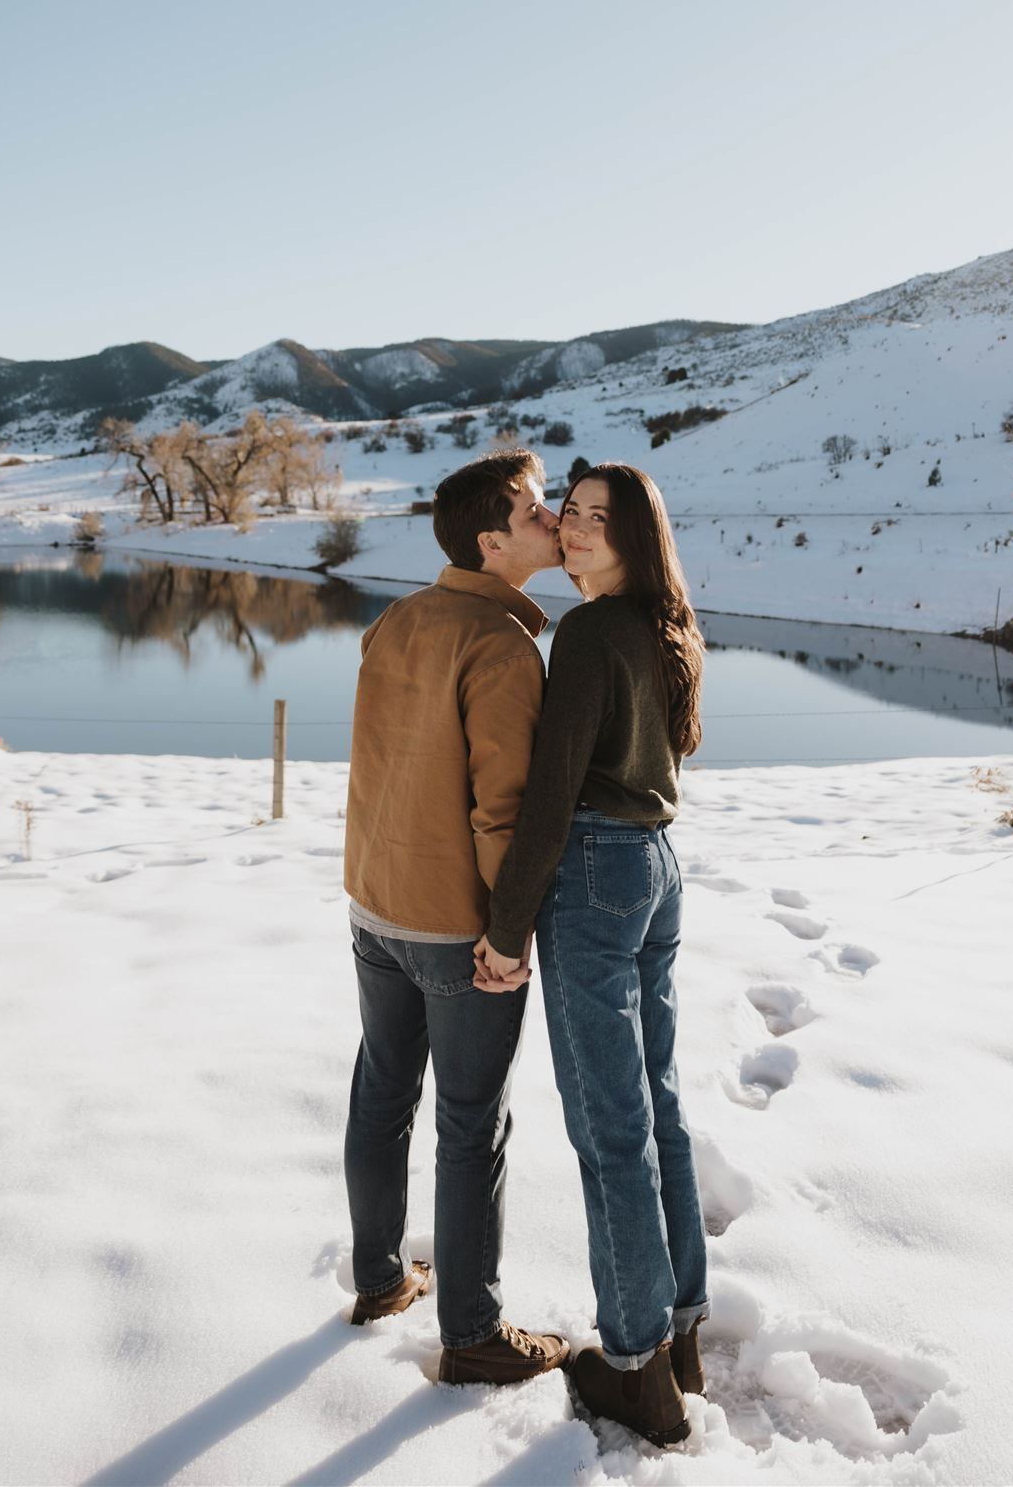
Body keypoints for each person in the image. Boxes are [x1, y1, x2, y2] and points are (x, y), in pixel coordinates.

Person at [477, 464, 709, 1447]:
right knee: (656, 1101)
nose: (572, 530)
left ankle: (634, 1368)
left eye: (595, 519)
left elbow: (552, 790)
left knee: (612, 1127)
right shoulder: (667, 623)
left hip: (599, 874)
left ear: (635, 535)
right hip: (657, 864)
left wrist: (506, 925)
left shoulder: (587, 631)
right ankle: (681, 1326)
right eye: (567, 513)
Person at [341, 450, 570, 1386]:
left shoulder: (400, 617)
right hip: (453, 928)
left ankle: (381, 1280)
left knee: (383, 1097)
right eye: (534, 509)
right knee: (471, 1126)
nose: (551, 517)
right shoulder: (502, 646)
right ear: (491, 541)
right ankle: (472, 1333)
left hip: (375, 906)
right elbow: (501, 810)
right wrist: (506, 934)